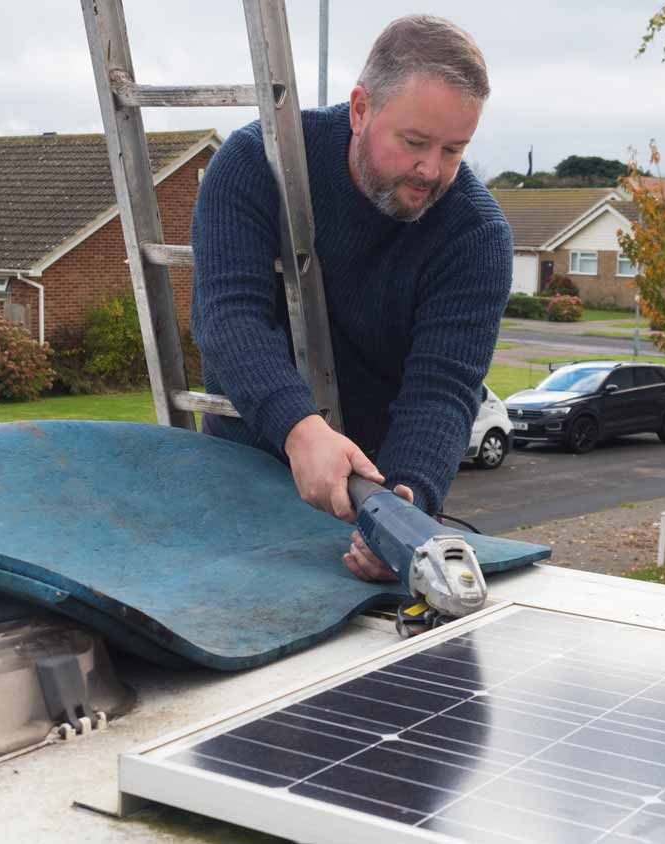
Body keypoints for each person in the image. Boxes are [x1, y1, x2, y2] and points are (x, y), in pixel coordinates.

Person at [190, 15, 511, 582]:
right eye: (414, 142)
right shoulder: (254, 163)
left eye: (454, 150)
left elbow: (441, 391)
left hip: (367, 499)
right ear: (361, 109)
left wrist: (406, 513)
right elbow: (227, 316)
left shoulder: (475, 236)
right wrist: (299, 429)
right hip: (236, 481)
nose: (431, 171)